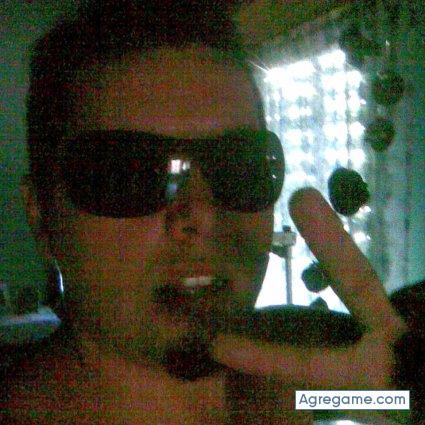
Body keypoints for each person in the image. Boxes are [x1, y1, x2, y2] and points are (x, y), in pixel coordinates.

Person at [1, 1, 422, 424]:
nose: (202, 215)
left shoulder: (295, 378)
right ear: (42, 217)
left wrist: (408, 398)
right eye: (125, 174)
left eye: (238, 165)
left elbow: (374, 400)